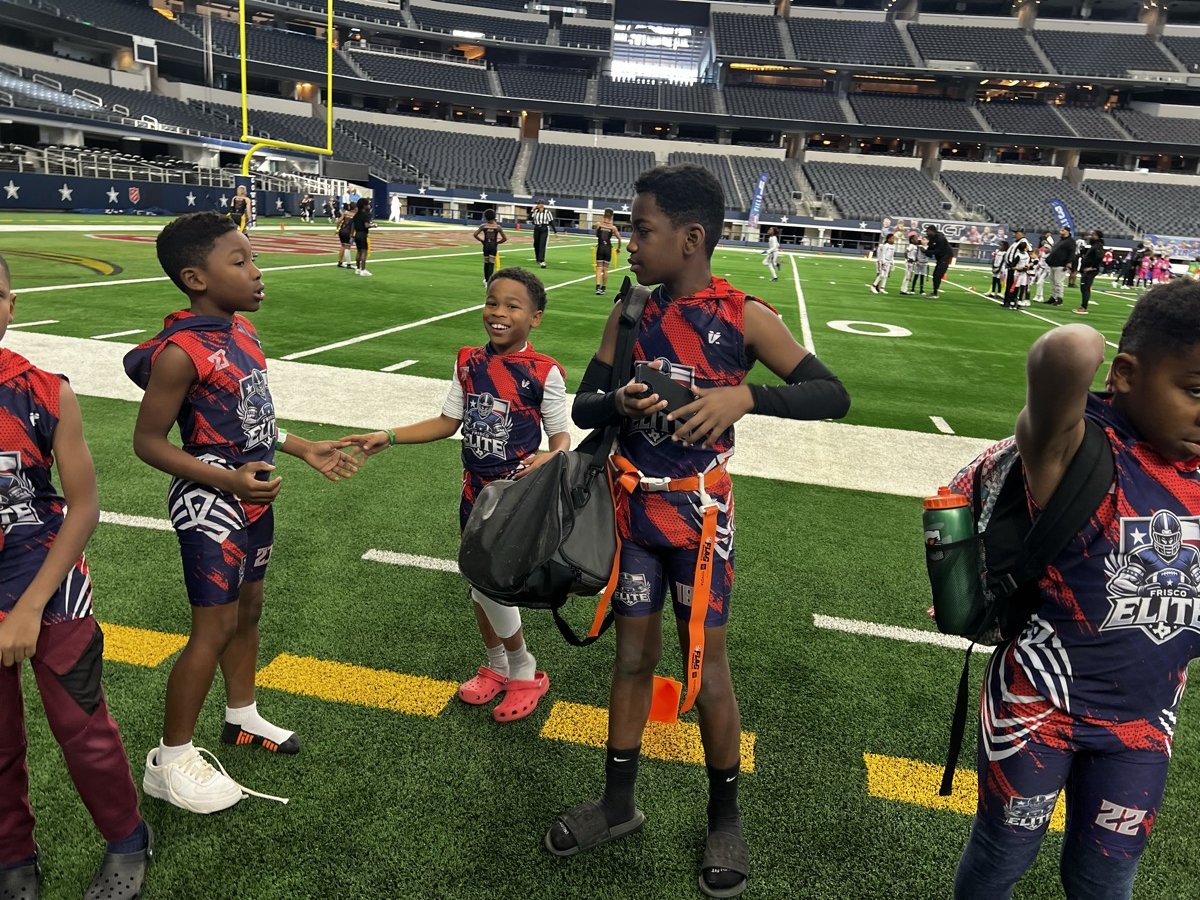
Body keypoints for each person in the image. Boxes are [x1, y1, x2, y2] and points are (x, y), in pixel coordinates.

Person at [544, 165, 850, 899]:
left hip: (701, 522)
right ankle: (618, 803)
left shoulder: (743, 315)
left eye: (641, 229)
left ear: (690, 238)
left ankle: (725, 817)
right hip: (634, 516)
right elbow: (584, 407)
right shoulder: (629, 309)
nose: (629, 241)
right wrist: (618, 402)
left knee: (708, 673)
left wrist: (745, 396)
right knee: (631, 660)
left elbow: (831, 393)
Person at [953, 283, 1200, 899]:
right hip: (1039, 708)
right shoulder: (1077, 450)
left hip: (1144, 724)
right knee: (1002, 854)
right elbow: (1066, 351)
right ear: (1126, 374)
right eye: (1195, 391)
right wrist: (1098, 336)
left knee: (1105, 876)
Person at [123, 213, 360, 814]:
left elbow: (251, 416)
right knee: (212, 629)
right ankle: (170, 760)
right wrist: (227, 479)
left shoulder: (243, 332)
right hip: (211, 504)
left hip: (252, 497)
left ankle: (242, 714)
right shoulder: (182, 353)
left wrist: (301, 447)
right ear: (195, 278)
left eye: (253, 258)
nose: (257, 271)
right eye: (240, 261)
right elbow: (148, 442)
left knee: (249, 610)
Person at [341, 268, 568, 721]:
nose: (498, 313)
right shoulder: (468, 362)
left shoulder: (544, 372)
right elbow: (448, 422)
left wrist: (552, 455)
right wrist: (390, 436)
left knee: (491, 583)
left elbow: (561, 437)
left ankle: (525, 669)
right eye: (492, 302)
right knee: (476, 581)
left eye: (512, 306)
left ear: (535, 318)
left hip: (514, 496)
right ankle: (498, 665)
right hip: (474, 494)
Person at [0, 254, 153, 899]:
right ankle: (12, 856)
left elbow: (84, 507)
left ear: (11, 305)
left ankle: (127, 839)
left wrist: (30, 607)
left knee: (82, 726)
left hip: (48, 579)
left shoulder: (43, 390)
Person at [1074, 229, 1104, 315]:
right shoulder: (1095, 245)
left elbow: (1099, 257)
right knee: (1084, 288)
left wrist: (1092, 267)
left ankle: (1084, 308)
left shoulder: (1098, 245)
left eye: (1092, 235)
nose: (1090, 236)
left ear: (1097, 236)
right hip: (1087, 270)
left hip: (1090, 271)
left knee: (1085, 288)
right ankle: (1083, 306)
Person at [1043, 226, 1076, 306]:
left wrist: (1069, 262)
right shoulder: (1061, 240)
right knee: (1053, 282)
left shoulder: (1070, 241)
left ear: (1067, 231)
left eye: (1062, 230)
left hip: (1061, 264)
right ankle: (1053, 297)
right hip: (1054, 263)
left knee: (1058, 282)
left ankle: (1059, 298)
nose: (1060, 231)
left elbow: (1072, 252)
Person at [474, 209, 507, 287]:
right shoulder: (497, 227)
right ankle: (489, 281)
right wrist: (497, 243)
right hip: (493, 246)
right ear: (494, 217)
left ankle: (486, 280)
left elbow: (475, 234)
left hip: (486, 246)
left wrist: (482, 241)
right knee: (491, 263)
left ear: (485, 217)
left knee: (486, 262)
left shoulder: (483, 226)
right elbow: (504, 238)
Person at [595, 208, 622, 296]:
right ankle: (603, 288)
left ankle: (598, 287)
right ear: (611, 216)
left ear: (604, 215)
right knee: (606, 269)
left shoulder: (598, 224)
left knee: (599, 268)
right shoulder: (613, 227)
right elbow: (619, 238)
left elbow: (597, 235)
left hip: (600, 247)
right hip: (608, 248)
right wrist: (618, 248)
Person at [924, 224, 952, 297]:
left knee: (937, 275)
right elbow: (930, 248)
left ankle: (935, 293)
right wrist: (926, 251)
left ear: (932, 231)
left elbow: (937, 251)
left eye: (928, 231)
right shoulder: (932, 238)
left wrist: (926, 251)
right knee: (935, 275)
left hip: (945, 257)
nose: (927, 233)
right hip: (941, 258)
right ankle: (934, 292)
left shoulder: (940, 238)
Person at [530, 201, 557, 269]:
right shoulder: (535, 211)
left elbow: (551, 222)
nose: (537, 205)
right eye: (537, 204)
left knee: (542, 244)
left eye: (538, 204)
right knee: (536, 244)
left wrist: (555, 231)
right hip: (537, 228)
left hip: (544, 229)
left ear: (542, 204)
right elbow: (529, 218)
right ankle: (537, 258)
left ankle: (542, 260)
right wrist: (532, 210)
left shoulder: (547, 212)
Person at [352, 197, 374, 278]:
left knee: (358, 252)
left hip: (357, 234)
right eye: (367, 204)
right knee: (364, 252)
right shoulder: (365, 215)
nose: (369, 206)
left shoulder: (356, 215)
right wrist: (373, 225)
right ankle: (363, 270)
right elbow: (366, 225)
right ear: (364, 206)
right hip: (362, 234)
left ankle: (358, 269)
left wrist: (352, 236)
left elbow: (353, 226)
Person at [336, 203, 355, 269]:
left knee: (342, 246)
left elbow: (338, 221)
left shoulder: (345, 213)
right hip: (348, 232)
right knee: (347, 247)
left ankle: (340, 262)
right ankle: (349, 264)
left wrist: (337, 229)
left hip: (341, 230)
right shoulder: (355, 215)